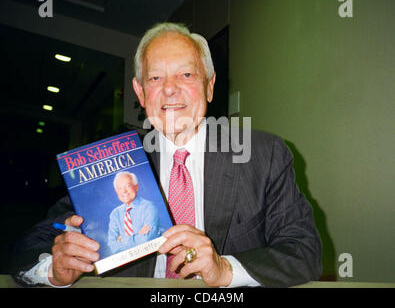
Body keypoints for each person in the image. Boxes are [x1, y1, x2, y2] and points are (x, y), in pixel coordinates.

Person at [10, 22, 322, 288]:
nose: (170, 89)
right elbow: (27, 249)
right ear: (141, 92)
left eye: (186, 74)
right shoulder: (112, 163)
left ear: (210, 86)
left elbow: (304, 252)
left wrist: (224, 269)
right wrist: (54, 268)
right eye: (156, 78)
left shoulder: (262, 156)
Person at [107, 172, 161, 254]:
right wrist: (138, 235)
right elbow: (112, 246)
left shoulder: (149, 207)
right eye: (120, 188)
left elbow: (148, 239)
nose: (124, 191)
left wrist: (122, 240)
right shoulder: (115, 214)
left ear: (136, 187)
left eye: (128, 186)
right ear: (116, 191)